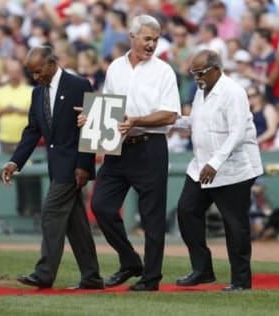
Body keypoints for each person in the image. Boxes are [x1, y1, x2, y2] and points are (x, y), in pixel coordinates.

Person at [78, 15, 181, 291]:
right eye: (147, 39)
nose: (151, 45)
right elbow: (110, 108)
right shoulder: (115, 67)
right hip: (119, 148)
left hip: (150, 147)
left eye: (155, 40)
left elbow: (170, 114)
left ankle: (151, 279)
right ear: (132, 36)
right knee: (100, 205)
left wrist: (136, 120)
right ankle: (130, 260)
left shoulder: (164, 71)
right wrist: (91, 119)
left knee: (152, 217)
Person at [1, 46, 103, 290]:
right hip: (56, 166)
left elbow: (89, 128)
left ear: (51, 64)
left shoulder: (78, 85)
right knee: (76, 225)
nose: (35, 77)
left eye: (38, 72)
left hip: (73, 166)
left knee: (51, 213)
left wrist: (84, 166)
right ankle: (91, 277)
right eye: (32, 73)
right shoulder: (37, 93)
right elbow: (32, 131)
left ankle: (44, 273)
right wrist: (15, 161)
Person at [174, 49, 263, 291]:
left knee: (235, 225)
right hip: (201, 165)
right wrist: (172, 121)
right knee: (186, 210)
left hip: (233, 168)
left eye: (200, 72)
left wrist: (216, 162)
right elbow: (197, 122)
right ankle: (202, 269)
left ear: (216, 69)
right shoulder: (202, 92)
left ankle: (241, 281)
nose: (196, 77)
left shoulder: (233, 92)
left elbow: (237, 133)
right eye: (193, 73)